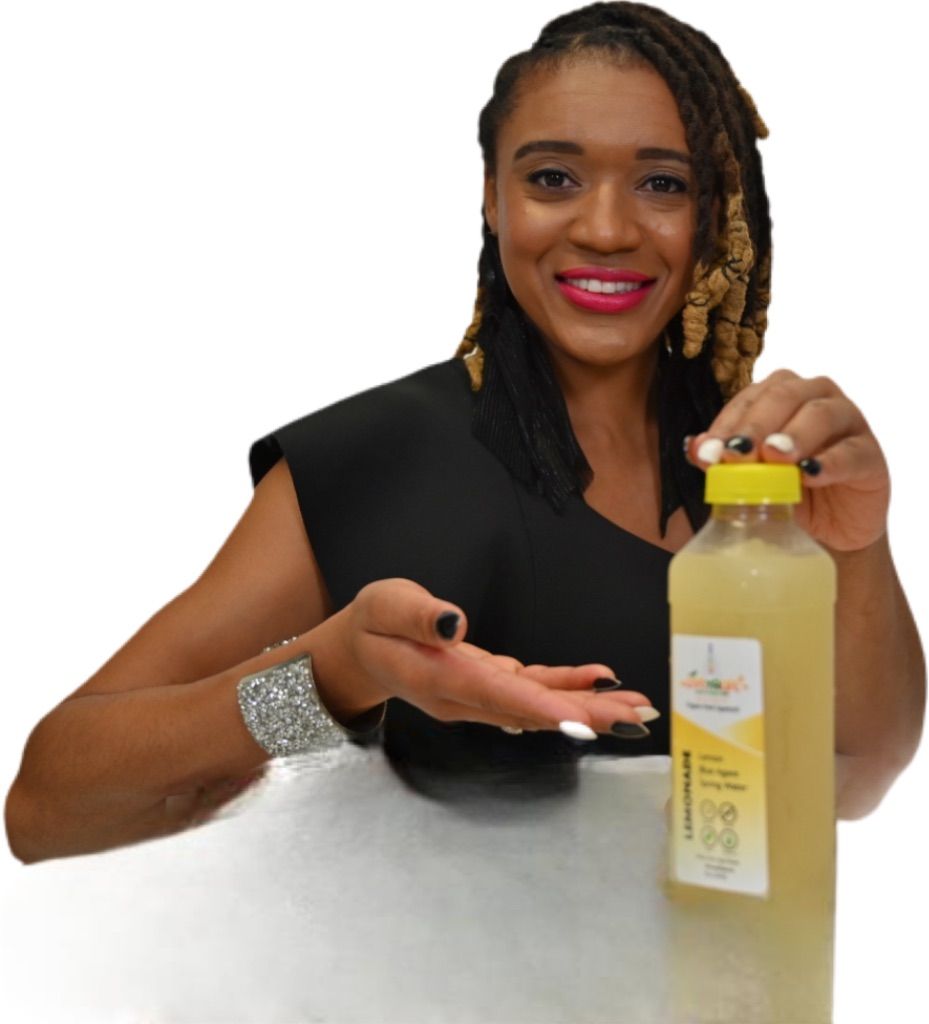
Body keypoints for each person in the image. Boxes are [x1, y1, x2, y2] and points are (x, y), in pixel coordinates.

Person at [5, 0, 924, 864]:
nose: (606, 228)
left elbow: (849, 779)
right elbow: (48, 808)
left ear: (718, 212)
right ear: (492, 197)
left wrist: (857, 540)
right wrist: (330, 678)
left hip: (727, 963)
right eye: (553, 178)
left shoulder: (756, 467)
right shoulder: (385, 458)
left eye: (662, 183)